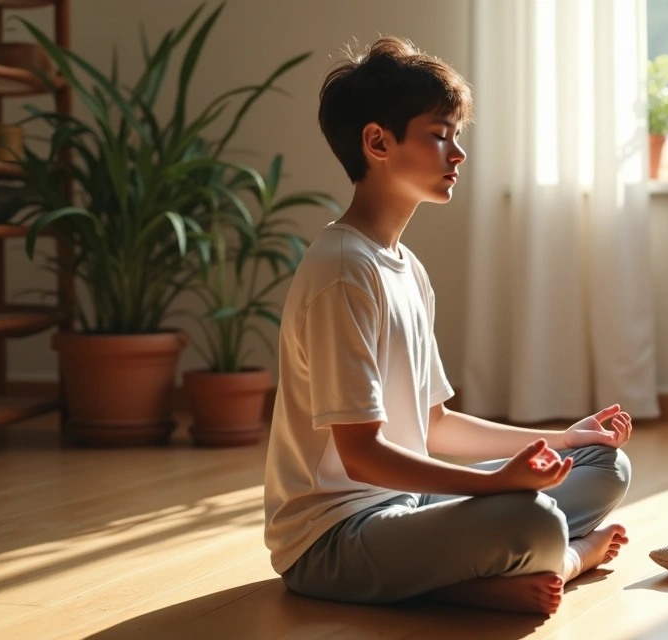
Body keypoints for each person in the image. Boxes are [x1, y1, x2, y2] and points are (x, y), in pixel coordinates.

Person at [262, 36, 633, 617]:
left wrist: (563, 439)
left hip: (407, 506)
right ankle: (567, 559)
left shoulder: (406, 268)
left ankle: (465, 578)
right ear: (377, 142)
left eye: (456, 136)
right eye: (440, 136)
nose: (457, 154)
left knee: (603, 465)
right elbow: (360, 457)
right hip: (333, 540)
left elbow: (434, 425)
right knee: (531, 516)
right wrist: (500, 487)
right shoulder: (343, 273)